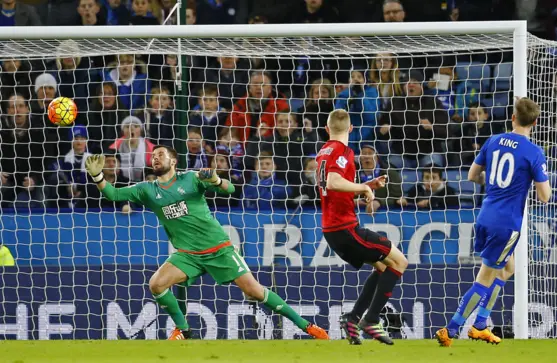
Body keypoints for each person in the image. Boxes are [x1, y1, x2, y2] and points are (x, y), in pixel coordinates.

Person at [84, 146, 329, 340]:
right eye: (153, 156)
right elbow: (113, 194)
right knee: (156, 285)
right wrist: (97, 175)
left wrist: (215, 180)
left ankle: (306, 326)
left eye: (161, 155)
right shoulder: (147, 189)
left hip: (218, 249)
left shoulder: (191, 178)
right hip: (187, 255)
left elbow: (231, 189)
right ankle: (184, 330)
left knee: (254, 290)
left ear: (173, 161)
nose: (156, 159)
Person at [436, 98, 552, 346]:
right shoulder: (533, 152)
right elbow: (544, 196)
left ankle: (480, 324)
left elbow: (471, 176)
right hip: (506, 223)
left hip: (486, 214)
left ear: (512, 117)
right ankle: (452, 328)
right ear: (535, 122)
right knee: (485, 277)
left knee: (507, 269)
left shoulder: (494, 141)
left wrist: (496, 184)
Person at [317, 109, 408, 345]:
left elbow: (336, 191)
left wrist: (368, 184)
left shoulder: (324, 152)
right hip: (345, 228)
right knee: (400, 262)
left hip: (332, 229)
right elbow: (333, 182)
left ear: (327, 129)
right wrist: (364, 189)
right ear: (351, 129)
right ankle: (371, 320)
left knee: (382, 266)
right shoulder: (342, 151)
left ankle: (353, 317)